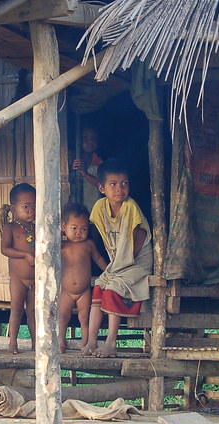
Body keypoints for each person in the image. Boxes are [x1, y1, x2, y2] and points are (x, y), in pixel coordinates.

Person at [81, 160, 153, 358]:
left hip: (138, 262)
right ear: (102, 188)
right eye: (113, 184)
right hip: (118, 262)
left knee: (113, 289)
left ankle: (111, 343)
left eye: (124, 183)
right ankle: (91, 342)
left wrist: (122, 265)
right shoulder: (99, 208)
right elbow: (99, 236)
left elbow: (138, 238)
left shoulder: (131, 207)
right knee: (98, 288)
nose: (120, 189)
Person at [58, 202, 108, 353]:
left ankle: (86, 344)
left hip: (84, 291)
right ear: (63, 227)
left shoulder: (88, 245)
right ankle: (60, 342)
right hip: (66, 291)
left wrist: (108, 270)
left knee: (85, 318)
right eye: (74, 228)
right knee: (62, 317)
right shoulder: (61, 245)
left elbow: (99, 259)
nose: (79, 232)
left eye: (84, 229)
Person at [0, 183, 36, 354]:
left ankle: (37, 343)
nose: (31, 210)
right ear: (13, 209)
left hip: (35, 279)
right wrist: (25, 255)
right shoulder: (11, 228)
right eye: (26, 206)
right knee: (17, 310)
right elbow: (5, 249)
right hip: (18, 279)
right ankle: (13, 343)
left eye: (34, 206)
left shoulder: (36, 228)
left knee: (33, 312)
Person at [72, 125, 103, 209]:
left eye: (93, 139)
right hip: (73, 208)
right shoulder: (70, 159)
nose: (90, 142)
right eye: (85, 139)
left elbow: (102, 185)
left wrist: (85, 173)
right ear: (78, 140)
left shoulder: (99, 163)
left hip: (92, 209)